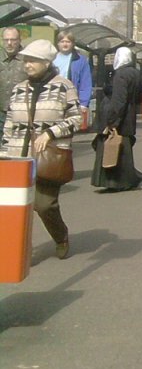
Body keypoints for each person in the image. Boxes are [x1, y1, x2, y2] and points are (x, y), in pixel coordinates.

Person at [1, 39, 83, 260]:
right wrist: (5, 151)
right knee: (16, 207)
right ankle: (19, 249)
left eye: (33, 61)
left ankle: (61, 235)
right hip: (17, 158)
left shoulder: (64, 86)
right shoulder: (19, 89)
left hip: (49, 157)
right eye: (26, 60)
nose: (27, 64)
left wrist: (50, 133)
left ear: (46, 62)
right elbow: (9, 121)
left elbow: (77, 119)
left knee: (44, 205)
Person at [90, 46, 142, 191]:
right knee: (124, 150)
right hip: (129, 116)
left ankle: (114, 181)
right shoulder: (135, 73)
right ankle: (129, 178)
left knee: (110, 148)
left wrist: (112, 120)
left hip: (118, 117)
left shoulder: (120, 74)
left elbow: (119, 100)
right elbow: (139, 97)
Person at [53, 30, 93, 127]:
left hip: (70, 98)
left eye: (68, 42)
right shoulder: (51, 59)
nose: (65, 44)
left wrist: (84, 103)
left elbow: (85, 82)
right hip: (53, 96)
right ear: (58, 44)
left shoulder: (81, 60)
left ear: (73, 44)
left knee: (68, 127)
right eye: (62, 41)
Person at [0, 27, 24, 143]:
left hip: (20, 113)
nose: (9, 43)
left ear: (19, 40)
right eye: (6, 40)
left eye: (13, 40)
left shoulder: (28, 59)